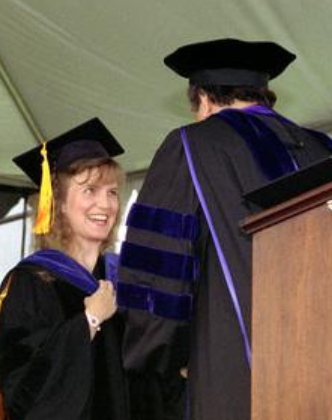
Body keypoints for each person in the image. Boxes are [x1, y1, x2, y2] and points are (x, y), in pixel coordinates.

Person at [119, 38, 332, 420]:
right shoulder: (324, 150)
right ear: (264, 94)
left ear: (202, 99)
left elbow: (158, 278)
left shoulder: (190, 144)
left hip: (231, 374)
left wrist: (161, 355)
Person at [0, 118, 130, 420]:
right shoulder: (31, 282)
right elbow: (23, 390)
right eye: (90, 190)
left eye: (112, 192)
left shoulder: (123, 282)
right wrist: (89, 321)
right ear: (59, 204)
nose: (105, 204)